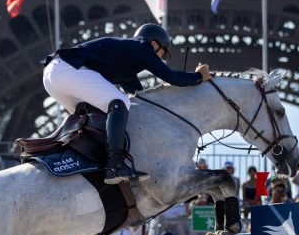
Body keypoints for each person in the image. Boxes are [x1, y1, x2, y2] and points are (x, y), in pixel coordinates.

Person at [41, 23, 211, 184]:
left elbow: (138, 94)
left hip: (52, 75)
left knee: (91, 118)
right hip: (68, 69)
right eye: (162, 53)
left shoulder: (127, 57)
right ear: (154, 44)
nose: (161, 58)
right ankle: (115, 166)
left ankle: (87, 162)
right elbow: (172, 77)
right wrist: (198, 76)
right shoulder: (142, 47)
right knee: (119, 102)